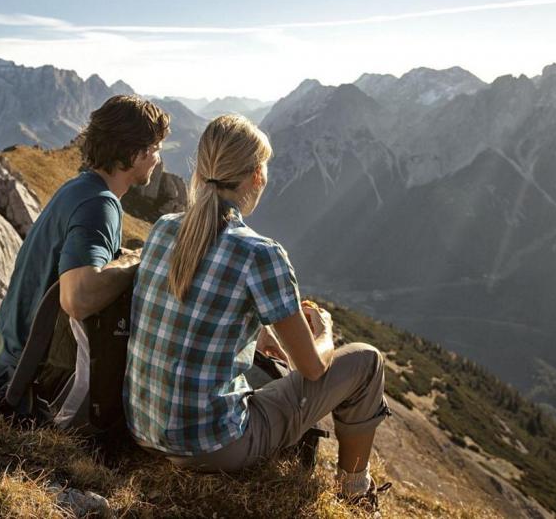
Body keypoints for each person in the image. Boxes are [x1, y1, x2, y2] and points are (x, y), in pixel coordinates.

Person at [124, 114, 390, 505]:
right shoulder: (260, 254)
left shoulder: (165, 227)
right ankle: (355, 495)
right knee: (368, 361)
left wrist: (260, 336)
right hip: (209, 446)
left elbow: (199, 312)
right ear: (257, 178)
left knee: (265, 366)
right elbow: (313, 369)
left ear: (201, 171)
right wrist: (324, 333)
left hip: (143, 429)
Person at [0, 94, 170, 419]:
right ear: (135, 153)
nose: (159, 159)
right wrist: (139, 262)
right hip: (31, 380)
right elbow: (78, 298)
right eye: (156, 148)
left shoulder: (79, 188)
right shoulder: (99, 204)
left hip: (10, 359)